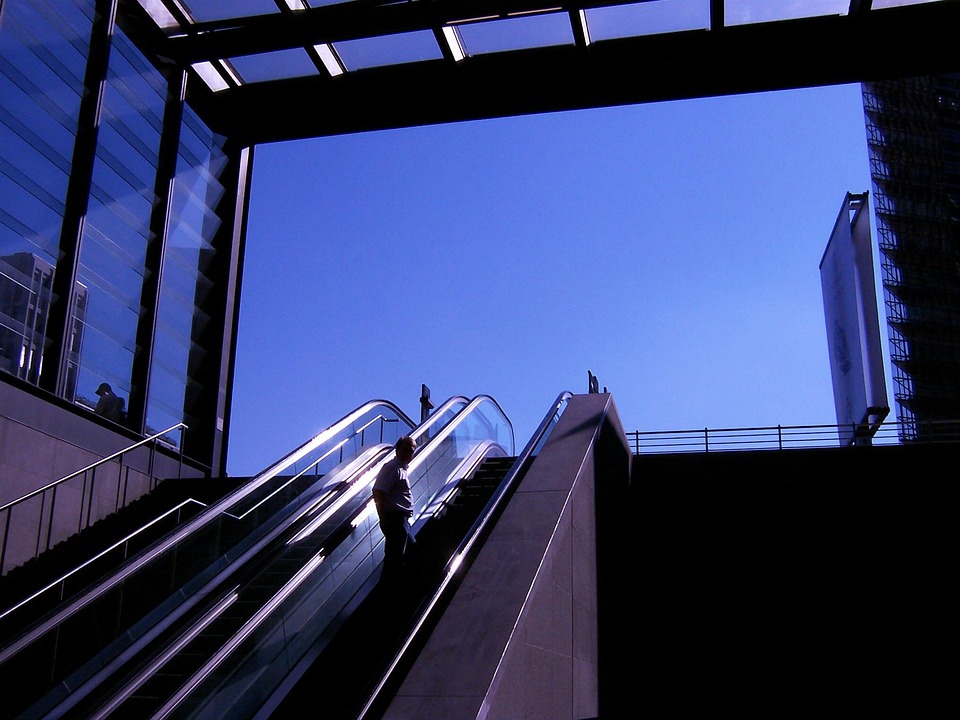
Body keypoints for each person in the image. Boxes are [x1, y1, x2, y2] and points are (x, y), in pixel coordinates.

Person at [373, 435, 417, 581]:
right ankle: (386, 593)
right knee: (394, 557)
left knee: (410, 550)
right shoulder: (392, 468)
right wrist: (383, 518)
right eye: (404, 450)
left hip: (402, 520)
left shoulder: (402, 469)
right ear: (397, 449)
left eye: (411, 451)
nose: (407, 454)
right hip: (395, 519)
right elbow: (378, 492)